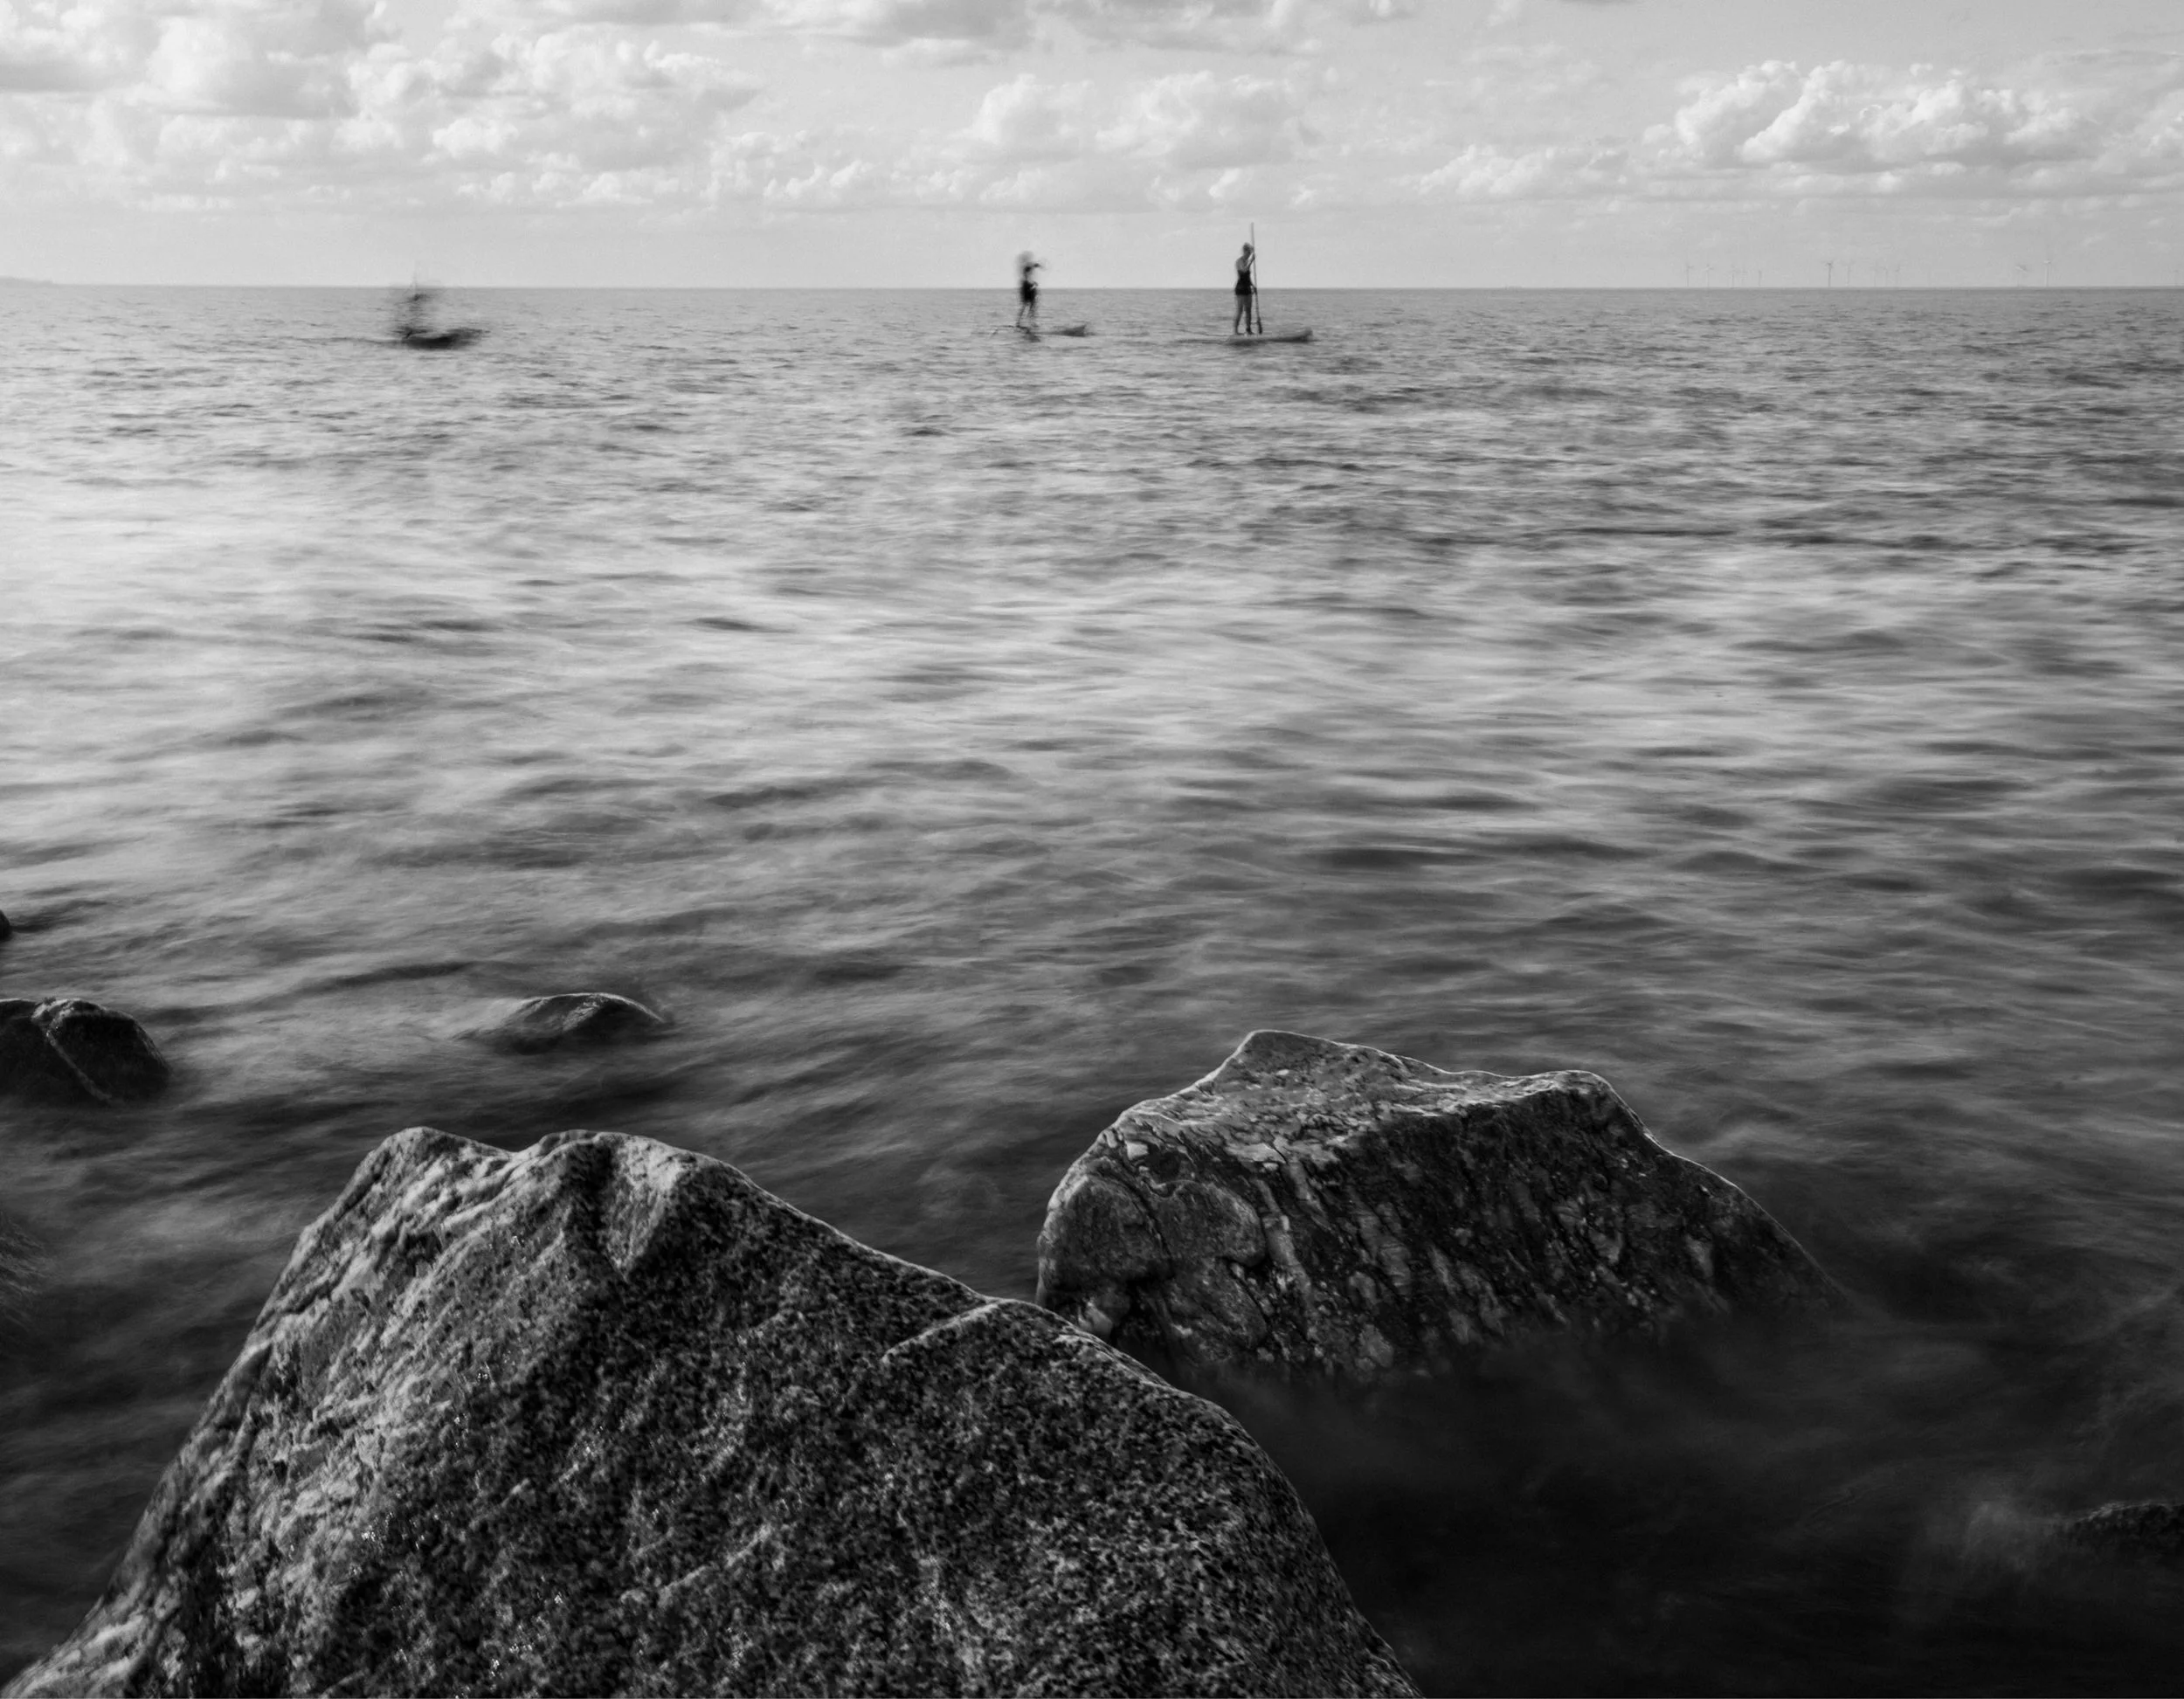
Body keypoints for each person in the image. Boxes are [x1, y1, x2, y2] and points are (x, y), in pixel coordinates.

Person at [1232, 241, 1257, 335]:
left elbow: (1247, 276)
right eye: (1248, 252)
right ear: (1244, 251)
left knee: (1249, 310)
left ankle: (1248, 330)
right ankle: (1235, 331)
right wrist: (1251, 261)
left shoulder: (1247, 261)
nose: (1249, 254)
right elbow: (1244, 270)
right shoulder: (1239, 261)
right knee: (1240, 310)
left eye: (1250, 253)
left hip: (1247, 288)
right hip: (1240, 289)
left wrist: (1253, 286)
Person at [1016, 252, 1042, 329]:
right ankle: (1028, 322)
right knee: (1030, 305)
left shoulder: (1026, 267)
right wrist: (1033, 284)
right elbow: (1029, 271)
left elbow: (1029, 271)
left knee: (1028, 305)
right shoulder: (1026, 267)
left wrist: (1033, 283)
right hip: (1027, 287)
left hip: (1026, 286)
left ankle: (1022, 322)